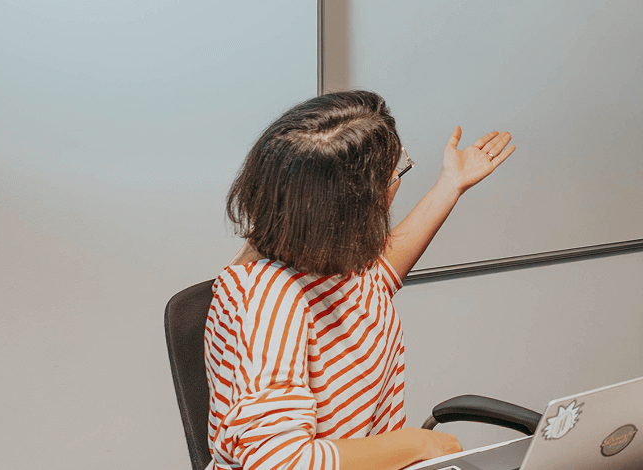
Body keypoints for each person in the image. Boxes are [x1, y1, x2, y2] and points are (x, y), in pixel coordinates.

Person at [204, 90, 515, 470]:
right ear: (357, 205)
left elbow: (373, 284)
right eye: (393, 174)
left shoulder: (322, 258)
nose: (396, 184)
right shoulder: (270, 303)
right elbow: (278, 461)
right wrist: (416, 443)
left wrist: (451, 183)